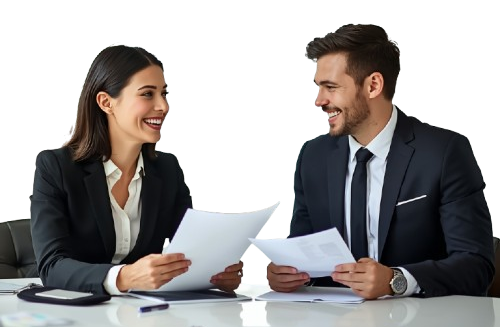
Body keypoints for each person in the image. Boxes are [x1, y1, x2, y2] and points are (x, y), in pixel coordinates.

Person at [266, 23, 495, 299]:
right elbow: (303, 249)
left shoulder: (444, 152)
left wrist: (396, 280)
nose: (319, 100)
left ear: (373, 85)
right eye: (319, 87)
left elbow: (477, 264)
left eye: (331, 87)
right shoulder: (312, 157)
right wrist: (286, 274)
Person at [29, 43, 243, 295]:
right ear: (106, 102)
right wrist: (124, 277)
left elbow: (191, 250)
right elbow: (52, 266)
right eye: (147, 94)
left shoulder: (167, 169)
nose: (163, 106)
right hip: (76, 312)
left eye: (164, 93)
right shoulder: (56, 167)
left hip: (144, 314)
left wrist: (215, 271)